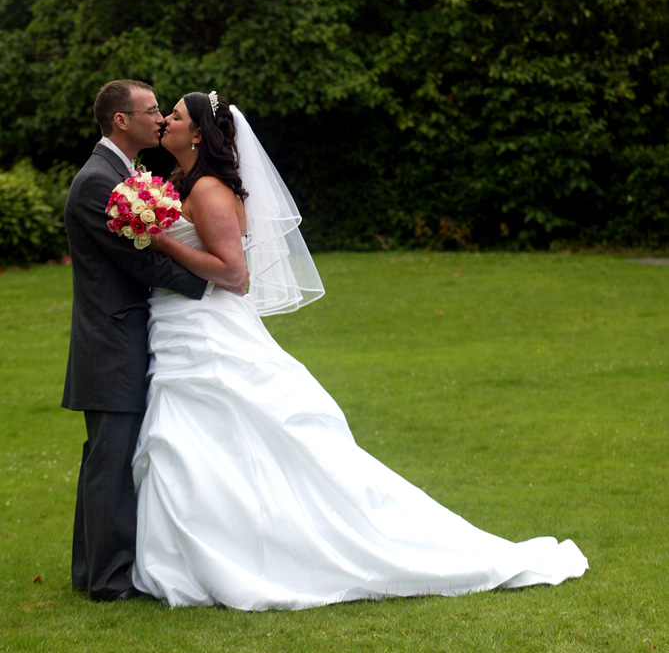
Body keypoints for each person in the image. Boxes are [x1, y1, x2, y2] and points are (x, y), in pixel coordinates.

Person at [132, 91, 588, 609]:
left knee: (221, 437)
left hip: (208, 333)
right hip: (181, 328)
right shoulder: (183, 184)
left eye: (175, 116)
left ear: (198, 134)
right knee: (200, 446)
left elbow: (235, 275)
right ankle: (217, 547)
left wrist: (160, 241)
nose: (165, 121)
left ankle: (256, 552)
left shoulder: (209, 189)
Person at [61, 79, 248, 602]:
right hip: (111, 339)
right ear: (122, 120)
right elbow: (141, 261)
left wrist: (219, 281)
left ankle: (95, 571)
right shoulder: (100, 182)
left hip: (132, 331)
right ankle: (109, 580)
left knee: (111, 456)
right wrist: (211, 287)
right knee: (111, 457)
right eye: (152, 110)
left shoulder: (128, 175)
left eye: (166, 112)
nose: (161, 119)